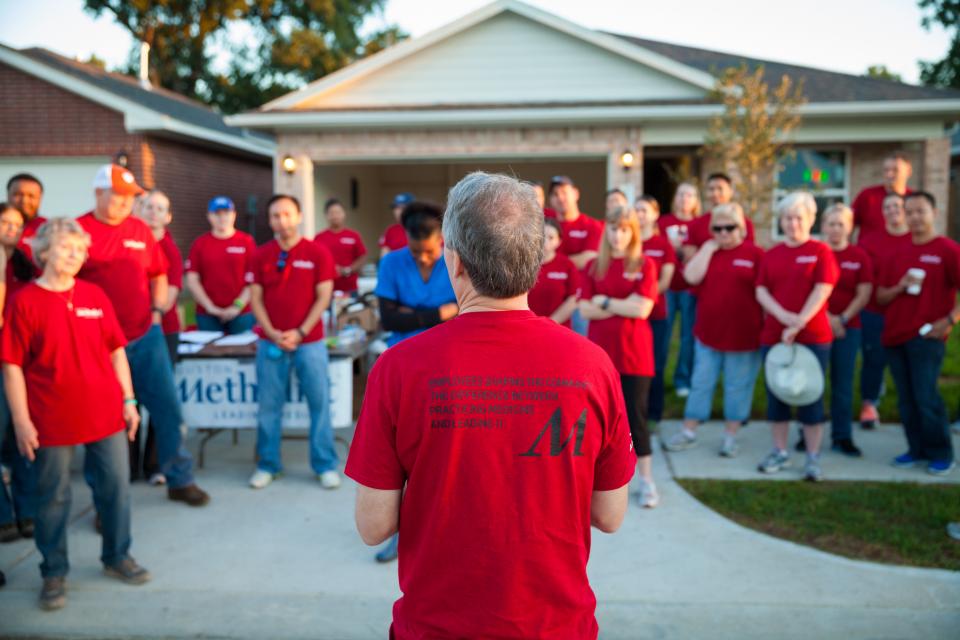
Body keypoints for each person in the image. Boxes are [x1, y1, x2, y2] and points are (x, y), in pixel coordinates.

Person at [345, 172, 634, 639]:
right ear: (536, 262)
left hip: (435, 627)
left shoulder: (398, 368)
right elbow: (610, 514)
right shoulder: (593, 366)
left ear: (454, 262)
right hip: (557, 627)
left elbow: (374, 526)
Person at [2, 219, 149, 611]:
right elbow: (12, 365)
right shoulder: (24, 301)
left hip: (106, 414)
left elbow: (117, 351)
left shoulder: (95, 295)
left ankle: (118, 556)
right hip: (50, 418)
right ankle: (54, 571)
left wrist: (129, 401)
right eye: (67, 247)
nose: (76, 255)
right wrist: (20, 420)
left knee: (116, 489)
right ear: (44, 251)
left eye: (81, 250)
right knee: (52, 498)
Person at [76, 164, 209, 506]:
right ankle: (106, 502)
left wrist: (155, 313)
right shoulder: (81, 230)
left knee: (168, 410)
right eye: (117, 195)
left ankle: (179, 479)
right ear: (98, 193)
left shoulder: (139, 229)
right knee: (105, 423)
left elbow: (158, 274)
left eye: (129, 197)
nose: (124, 203)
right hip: (99, 345)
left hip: (143, 336)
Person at [372, 200, 458, 562]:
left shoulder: (457, 262)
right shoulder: (391, 262)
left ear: (442, 240)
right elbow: (389, 319)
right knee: (401, 454)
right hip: (403, 369)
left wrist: (413, 315)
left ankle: (444, 529)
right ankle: (399, 530)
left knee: (441, 456)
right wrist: (437, 314)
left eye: (430, 251)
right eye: (415, 251)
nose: (423, 259)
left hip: (447, 367)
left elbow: (464, 315)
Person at [248, 194, 340, 490]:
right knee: (268, 406)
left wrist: (300, 332)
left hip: (309, 342)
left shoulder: (318, 253)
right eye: (275, 215)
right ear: (270, 220)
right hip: (271, 343)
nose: (281, 221)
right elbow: (256, 298)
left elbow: (323, 296)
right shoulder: (260, 255)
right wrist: (272, 331)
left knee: (319, 403)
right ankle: (268, 464)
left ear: (299, 216)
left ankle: (324, 464)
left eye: (287, 214)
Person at [664, 203, 764, 457]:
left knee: (737, 386)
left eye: (729, 228)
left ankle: (731, 435)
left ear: (741, 228)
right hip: (708, 334)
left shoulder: (755, 254)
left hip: (744, 336)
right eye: (717, 229)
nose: (723, 233)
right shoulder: (710, 252)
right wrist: (708, 248)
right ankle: (689, 430)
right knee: (701, 382)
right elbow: (691, 278)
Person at [579, 205, 660, 508]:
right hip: (600, 357)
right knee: (598, 423)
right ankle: (598, 484)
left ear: (634, 232)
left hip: (635, 355)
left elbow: (643, 309)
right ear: (606, 231)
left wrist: (606, 300)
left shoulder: (644, 264)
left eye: (625, 229)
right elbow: (584, 309)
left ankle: (647, 481)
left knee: (636, 420)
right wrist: (623, 303)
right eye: (613, 228)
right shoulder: (593, 268)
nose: (618, 234)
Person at [755, 192, 838, 481]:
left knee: (810, 397)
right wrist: (784, 318)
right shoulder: (772, 254)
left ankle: (813, 457)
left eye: (798, 218)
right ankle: (780, 451)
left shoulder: (820, 252)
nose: (793, 224)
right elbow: (761, 290)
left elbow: (823, 289)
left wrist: (799, 322)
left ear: (811, 219)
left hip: (812, 338)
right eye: (787, 218)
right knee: (777, 397)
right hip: (775, 338)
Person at [876, 191, 958, 476]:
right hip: (895, 335)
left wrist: (949, 320)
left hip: (927, 337)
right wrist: (900, 285)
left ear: (934, 213)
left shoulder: (947, 249)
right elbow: (881, 296)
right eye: (909, 212)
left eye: (920, 211)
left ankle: (941, 453)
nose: (914, 217)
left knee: (926, 397)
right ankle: (915, 449)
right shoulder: (898, 252)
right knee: (906, 399)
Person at [133, 190, 182, 485]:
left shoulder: (169, 249)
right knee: (129, 401)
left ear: (168, 216)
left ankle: (155, 465)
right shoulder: (131, 243)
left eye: (160, 208)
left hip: (162, 332)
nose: (153, 212)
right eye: (148, 206)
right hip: (128, 334)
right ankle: (128, 467)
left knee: (159, 400)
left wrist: (147, 315)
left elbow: (169, 296)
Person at [820, 204, 873, 457]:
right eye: (831, 224)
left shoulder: (858, 256)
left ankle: (842, 437)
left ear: (850, 227)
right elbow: (807, 291)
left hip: (848, 329)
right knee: (813, 384)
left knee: (843, 384)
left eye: (841, 224)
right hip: (816, 328)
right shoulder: (817, 253)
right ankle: (808, 433)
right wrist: (827, 319)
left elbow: (864, 294)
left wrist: (841, 319)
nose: (836, 229)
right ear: (823, 227)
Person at [856, 193, 911, 430]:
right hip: (874, 311)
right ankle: (869, 405)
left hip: (908, 313)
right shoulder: (870, 241)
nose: (892, 210)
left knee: (908, 363)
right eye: (887, 207)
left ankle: (909, 406)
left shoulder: (915, 239)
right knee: (873, 358)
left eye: (897, 206)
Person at [0, 203, 37, 543]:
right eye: (4, 222)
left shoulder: (25, 266)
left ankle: (27, 510)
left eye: (16, 224)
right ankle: (3, 513)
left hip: (23, 364)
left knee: (23, 435)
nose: (12, 228)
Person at [185, 196, 257, 335]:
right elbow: (192, 279)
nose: (222, 217)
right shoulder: (200, 244)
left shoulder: (246, 242)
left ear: (234, 215)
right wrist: (210, 307)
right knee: (211, 355)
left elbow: (253, 280)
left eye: (226, 213)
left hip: (241, 313)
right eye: (217, 214)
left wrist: (237, 306)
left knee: (242, 353)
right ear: (209, 216)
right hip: (207, 314)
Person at [633, 195, 676, 426]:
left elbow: (666, 280)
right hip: (629, 317)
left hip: (655, 314)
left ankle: (653, 415)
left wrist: (643, 300)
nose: (639, 214)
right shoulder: (629, 242)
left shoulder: (663, 245)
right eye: (636, 210)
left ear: (655, 214)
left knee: (656, 364)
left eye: (644, 210)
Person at [658, 182, 700, 397]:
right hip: (667, 287)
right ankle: (659, 379)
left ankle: (682, 379)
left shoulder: (699, 224)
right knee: (663, 336)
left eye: (690, 195)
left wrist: (680, 249)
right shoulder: (664, 222)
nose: (685, 198)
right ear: (676, 198)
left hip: (690, 288)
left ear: (695, 201)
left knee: (687, 336)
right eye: (681, 194)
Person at [684, 173, 757, 250]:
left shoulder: (744, 223)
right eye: (711, 189)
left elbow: (750, 253)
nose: (715, 193)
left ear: (730, 191)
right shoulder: (696, 224)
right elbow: (689, 257)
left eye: (720, 188)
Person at [528, 217, 579, 326]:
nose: (545, 241)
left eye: (551, 237)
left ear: (559, 241)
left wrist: (549, 324)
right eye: (542, 236)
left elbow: (573, 299)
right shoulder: (524, 264)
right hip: (527, 327)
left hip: (558, 329)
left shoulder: (567, 265)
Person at [852, 152, 912, 243]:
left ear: (908, 171)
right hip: (869, 254)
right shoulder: (867, 195)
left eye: (895, 170)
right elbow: (848, 225)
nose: (889, 174)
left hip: (904, 254)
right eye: (886, 170)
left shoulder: (914, 199)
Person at [545, 176, 602, 270]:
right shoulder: (544, 223)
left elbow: (589, 258)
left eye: (564, 192)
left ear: (576, 194)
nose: (560, 198)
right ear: (550, 200)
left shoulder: (592, 225)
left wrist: (551, 261)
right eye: (555, 194)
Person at [314, 198, 368, 296]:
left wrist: (348, 270)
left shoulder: (353, 236)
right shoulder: (319, 238)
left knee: (353, 312)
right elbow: (314, 260)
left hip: (350, 289)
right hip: (326, 290)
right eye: (331, 213)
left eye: (338, 212)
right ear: (326, 215)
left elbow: (362, 257)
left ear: (344, 214)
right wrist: (329, 269)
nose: (335, 216)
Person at [6, 173, 47, 252]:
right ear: (8, 195)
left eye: (31, 196)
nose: (24, 201)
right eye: (18, 194)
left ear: (40, 198)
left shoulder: (49, 229)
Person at [379, 192, 414, 258]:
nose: (398, 211)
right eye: (395, 208)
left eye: (402, 208)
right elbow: (384, 257)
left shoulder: (423, 228)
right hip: (396, 267)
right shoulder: (391, 231)